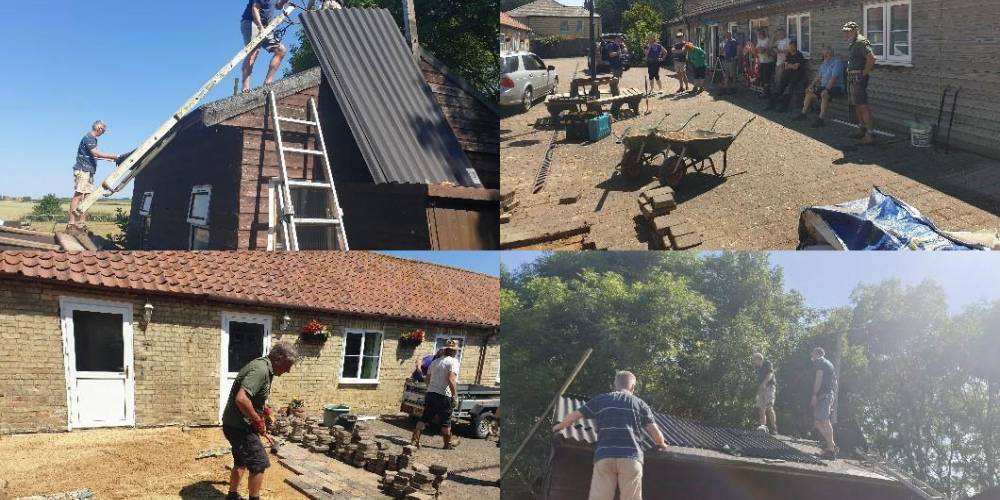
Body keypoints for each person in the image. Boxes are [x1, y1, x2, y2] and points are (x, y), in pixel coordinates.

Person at [552, 371, 668, 500]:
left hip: (605, 455)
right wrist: (661, 443)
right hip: (631, 457)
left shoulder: (601, 399)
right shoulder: (640, 404)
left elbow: (574, 416)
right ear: (633, 387)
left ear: (613, 386)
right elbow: (654, 431)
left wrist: (559, 426)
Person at [221, 343, 298, 500]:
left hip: (233, 424)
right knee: (259, 462)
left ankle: (232, 496)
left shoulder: (263, 367)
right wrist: (257, 420)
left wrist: (265, 410)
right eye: (287, 366)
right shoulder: (261, 370)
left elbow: (253, 396)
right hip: (239, 427)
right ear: (279, 358)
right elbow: (242, 399)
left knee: (241, 460)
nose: (288, 370)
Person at [411, 339, 461, 450]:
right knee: (446, 422)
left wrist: (430, 388)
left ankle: (415, 440)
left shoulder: (435, 362)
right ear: (454, 351)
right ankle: (447, 444)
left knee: (424, 418)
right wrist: (455, 396)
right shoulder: (453, 362)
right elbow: (451, 379)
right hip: (444, 396)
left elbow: (427, 378)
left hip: (431, 393)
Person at [69, 121, 119, 229]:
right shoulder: (89, 138)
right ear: (99, 128)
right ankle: (71, 222)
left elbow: (93, 155)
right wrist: (113, 157)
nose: (102, 133)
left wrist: (107, 158)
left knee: (87, 197)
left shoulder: (92, 139)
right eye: (103, 131)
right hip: (83, 170)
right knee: (78, 195)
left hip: (89, 171)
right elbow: (95, 153)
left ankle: (82, 222)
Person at [241, 0, 290, 94]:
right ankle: (245, 87)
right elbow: (255, 8)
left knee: (281, 50)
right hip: (251, 22)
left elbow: (278, 6)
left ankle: (268, 82)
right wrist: (260, 27)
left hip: (266, 26)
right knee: (253, 52)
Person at [843, 21, 877, 145]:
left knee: (862, 105)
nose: (846, 33)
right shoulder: (853, 43)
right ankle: (862, 129)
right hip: (852, 77)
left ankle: (870, 134)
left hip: (858, 77)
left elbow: (872, 58)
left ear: (855, 30)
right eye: (845, 31)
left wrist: (863, 73)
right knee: (857, 104)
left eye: (849, 31)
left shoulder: (861, 42)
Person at [795, 46, 845, 127]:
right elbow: (818, 76)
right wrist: (810, 86)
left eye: (826, 54)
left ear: (831, 54)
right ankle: (803, 114)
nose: (824, 56)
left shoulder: (837, 62)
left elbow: (834, 78)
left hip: (836, 87)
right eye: (823, 55)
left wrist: (827, 90)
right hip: (824, 86)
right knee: (809, 92)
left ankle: (820, 119)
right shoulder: (824, 63)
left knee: (824, 94)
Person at [810, 347, 838, 459]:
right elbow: (835, 382)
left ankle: (830, 450)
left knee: (825, 420)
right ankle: (832, 445)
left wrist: (814, 394)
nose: (811, 357)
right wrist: (833, 397)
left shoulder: (820, 362)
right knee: (817, 422)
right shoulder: (830, 364)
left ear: (817, 354)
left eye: (812, 354)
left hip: (823, 396)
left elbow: (819, 377)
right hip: (828, 395)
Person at [765, 39, 806, 112]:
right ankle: (771, 104)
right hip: (787, 75)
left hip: (796, 77)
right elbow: (786, 66)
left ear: (795, 47)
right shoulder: (789, 55)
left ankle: (784, 107)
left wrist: (790, 65)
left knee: (789, 89)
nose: (790, 48)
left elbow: (796, 67)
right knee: (779, 88)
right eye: (790, 47)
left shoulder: (799, 55)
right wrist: (791, 65)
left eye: (791, 47)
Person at [751, 353, 777, 435]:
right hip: (761, 389)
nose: (753, 362)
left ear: (759, 359)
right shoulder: (757, 367)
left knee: (769, 407)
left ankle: (773, 427)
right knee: (761, 408)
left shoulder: (767, 363)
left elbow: (770, 374)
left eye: (754, 360)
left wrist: (764, 383)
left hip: (769, 387)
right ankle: (763, 427)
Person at [755, 28, 775, 98]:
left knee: (766, 78)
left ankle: (766, 93)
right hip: (762, 61)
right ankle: (764, 92)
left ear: (762, 34)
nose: (758, 36)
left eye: (758, 34)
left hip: (768, 62)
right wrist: (760, 49)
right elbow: (757, 49)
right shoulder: (759, 40)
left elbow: (764, 50)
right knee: (762, 78)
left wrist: (762, 49)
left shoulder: (768, 40)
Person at [722, 30, 740, 94]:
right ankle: (726, 87)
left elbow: (738, 48)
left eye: (727, 35)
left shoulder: (734, 41)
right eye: (726, 35)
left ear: (730, 35)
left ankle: (733, 87)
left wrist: (736, 57)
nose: (726, 36)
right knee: (727, 74)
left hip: (732, 60)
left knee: (732, 75)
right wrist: (723, 53)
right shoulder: (726, 41)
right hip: (726, 60)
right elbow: (725, 48)